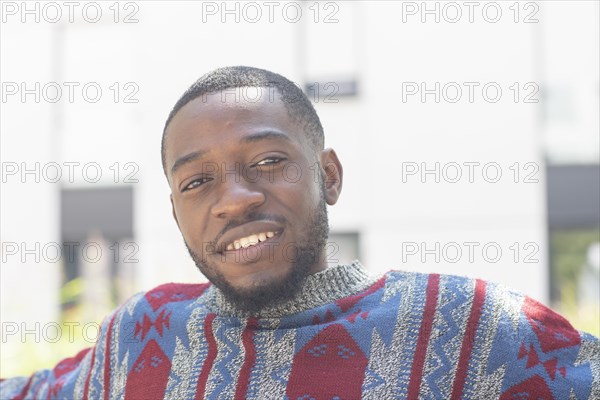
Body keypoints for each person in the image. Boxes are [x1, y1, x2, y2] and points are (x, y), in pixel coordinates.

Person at [1, 66, 598, 400]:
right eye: (197, 182)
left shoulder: (469, 325)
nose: (233, 199)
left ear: (328, 176)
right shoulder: (141, 333)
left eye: (266, 162)